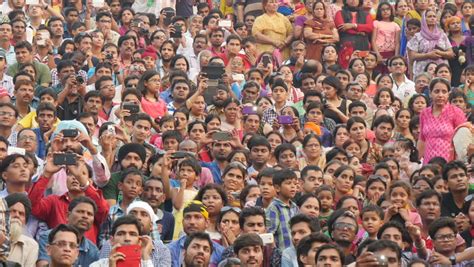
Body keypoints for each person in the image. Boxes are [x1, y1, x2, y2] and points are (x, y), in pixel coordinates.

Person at [418, 79, 466, 163]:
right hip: (429, 163)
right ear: (430, 93)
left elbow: (463, 140)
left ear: (448, 94)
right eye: (436, 91)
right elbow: (422, 140)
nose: (440, 95)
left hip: (449, 163)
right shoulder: (424, 113)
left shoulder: (456, 112)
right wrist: (416, 160)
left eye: (444, 92)